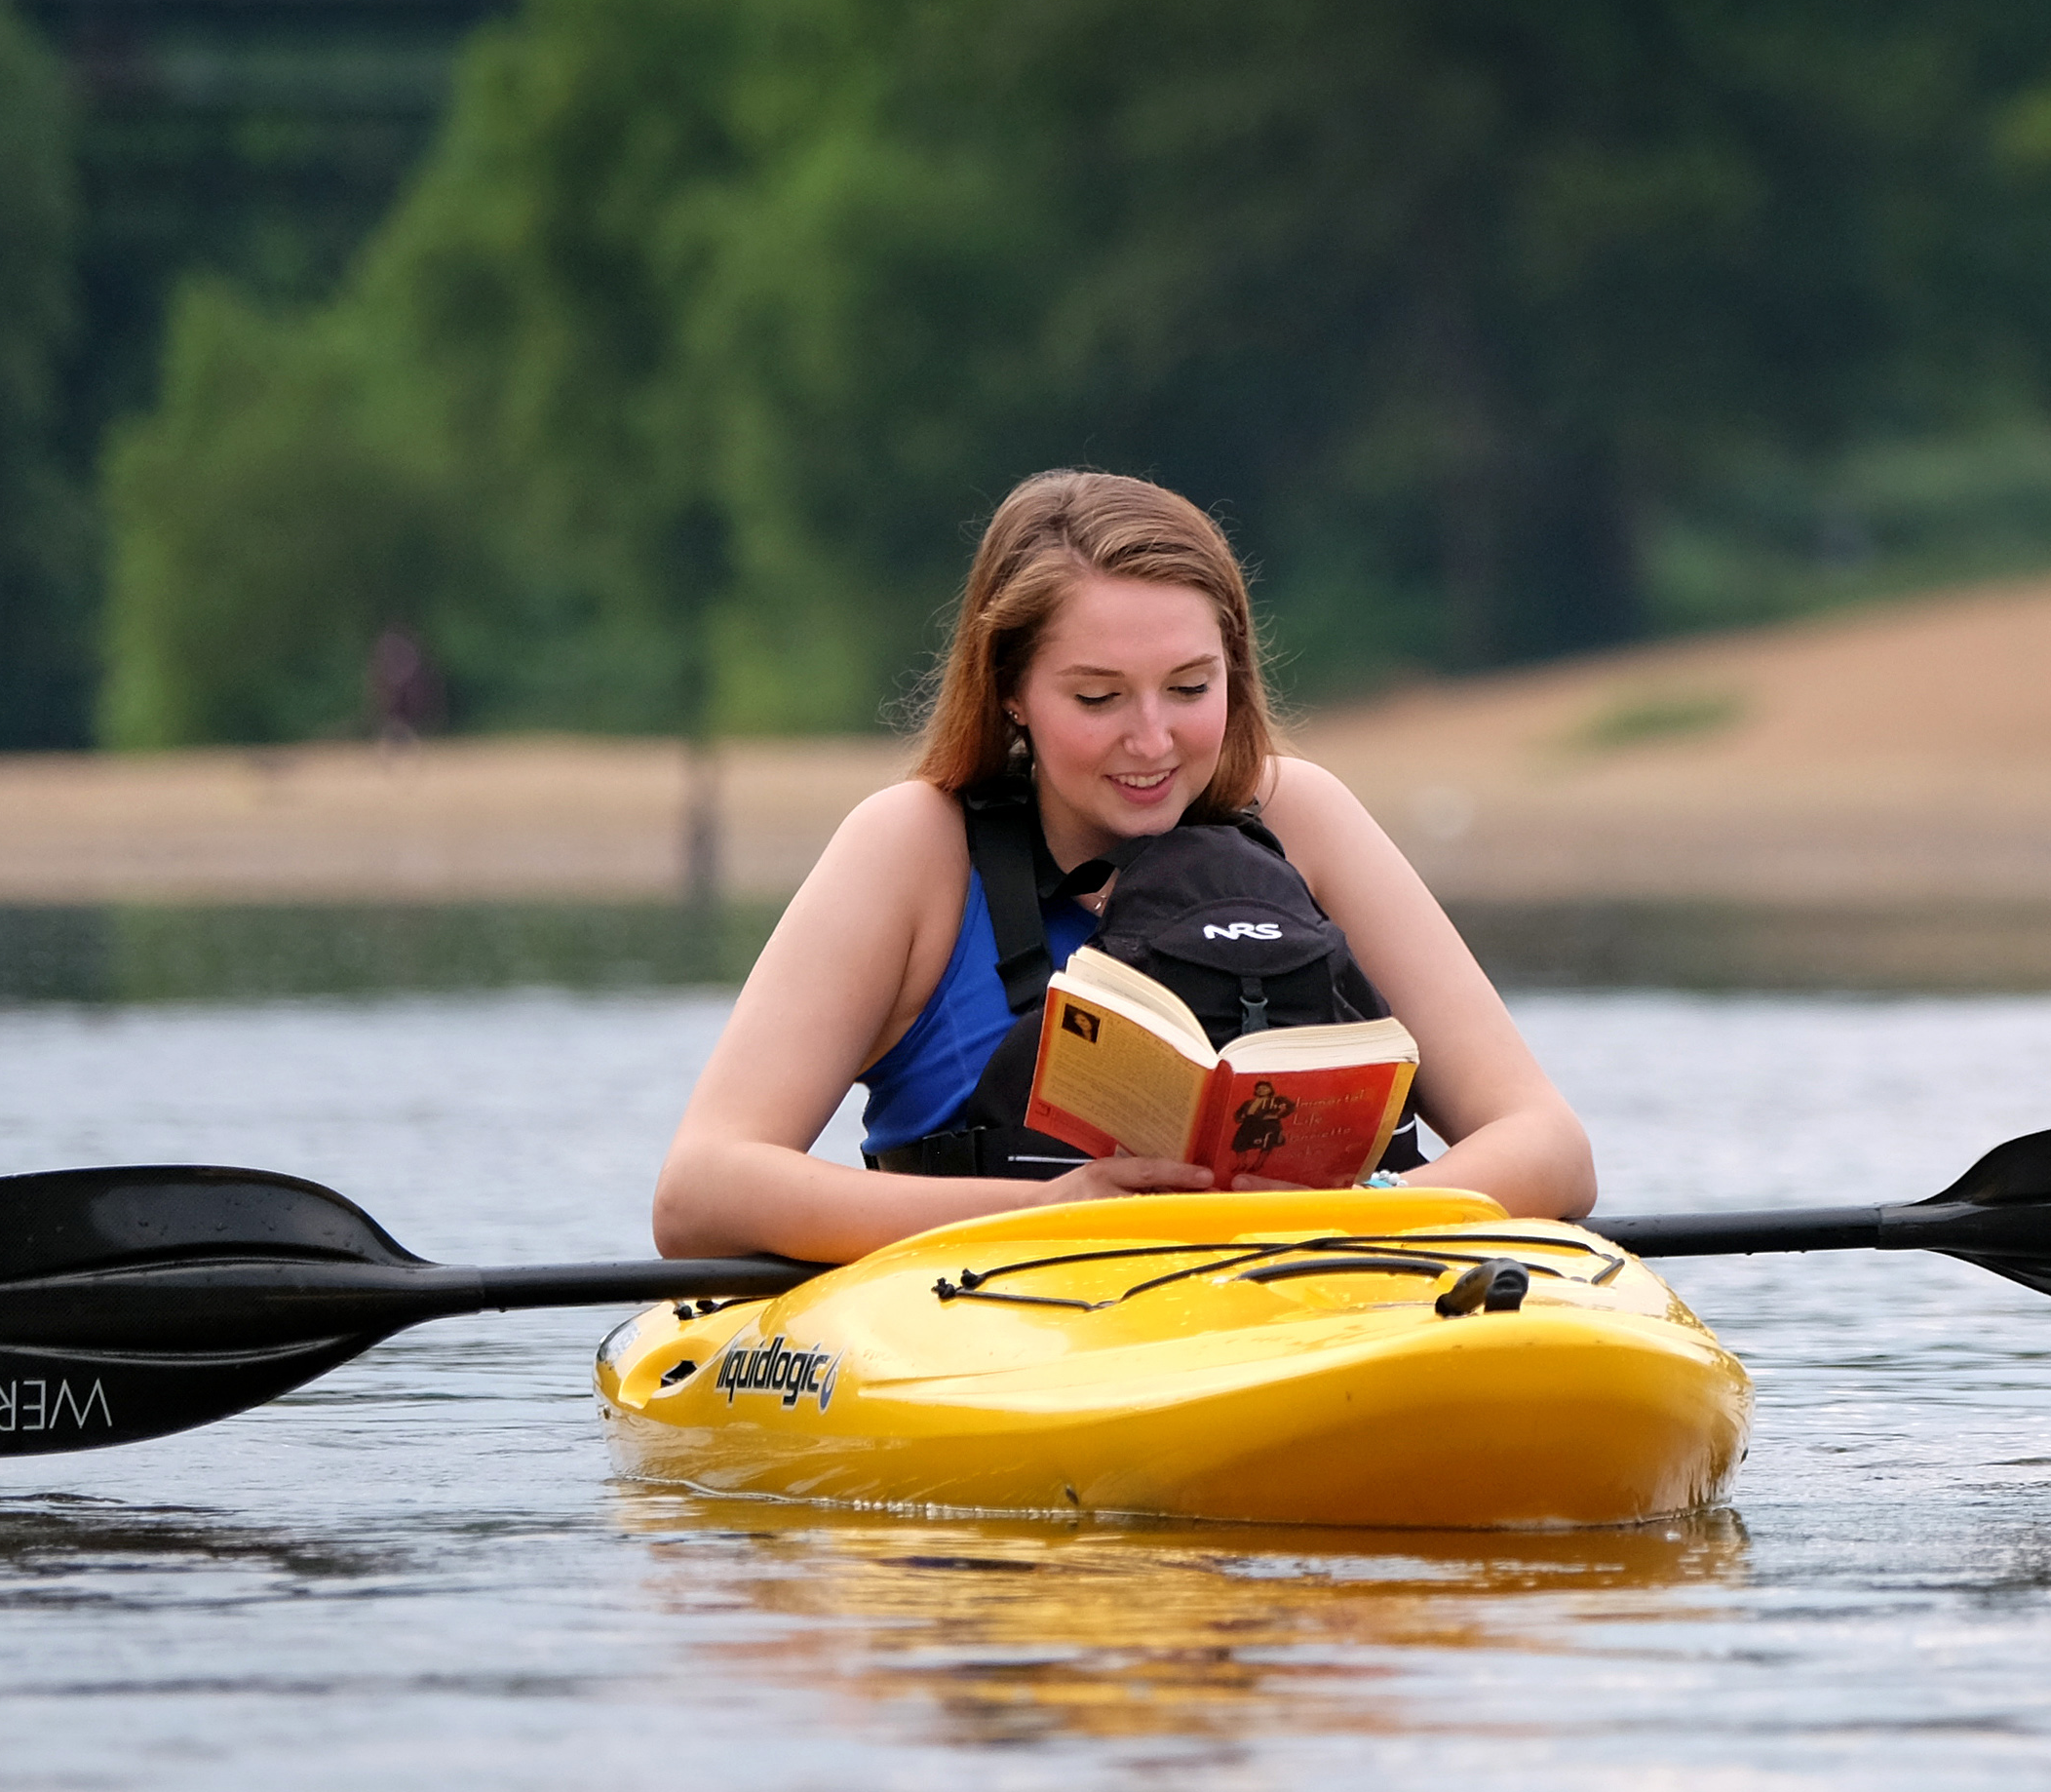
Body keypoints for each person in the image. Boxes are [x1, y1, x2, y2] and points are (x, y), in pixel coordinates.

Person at [649, 469, 1598, 1261]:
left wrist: (1347, 1218)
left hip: (1333, 1293)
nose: (1152, 740)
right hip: (1012, 1332)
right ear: (1011, 691)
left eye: (1191, 687)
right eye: (1098, 696)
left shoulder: (1300, 816)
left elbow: (1550, 1148)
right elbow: (700, 1190)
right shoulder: (913, 849)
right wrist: (1045, 1213)